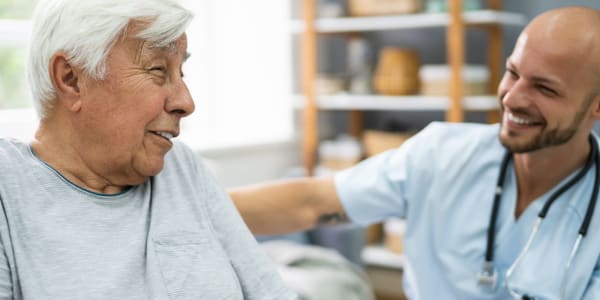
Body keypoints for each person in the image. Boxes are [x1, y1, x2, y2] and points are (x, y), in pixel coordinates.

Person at [230, 6, 600, 300]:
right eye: (512, 73)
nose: (513, 97)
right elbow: (311, 202)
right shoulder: (440, 154)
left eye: (545, 89)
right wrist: (189, 204)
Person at [0, 0, 296, 299]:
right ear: (71, 79)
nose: (186, 102)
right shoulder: (7, 189)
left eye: (182, 73)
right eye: (158, 70)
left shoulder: (181, 168)